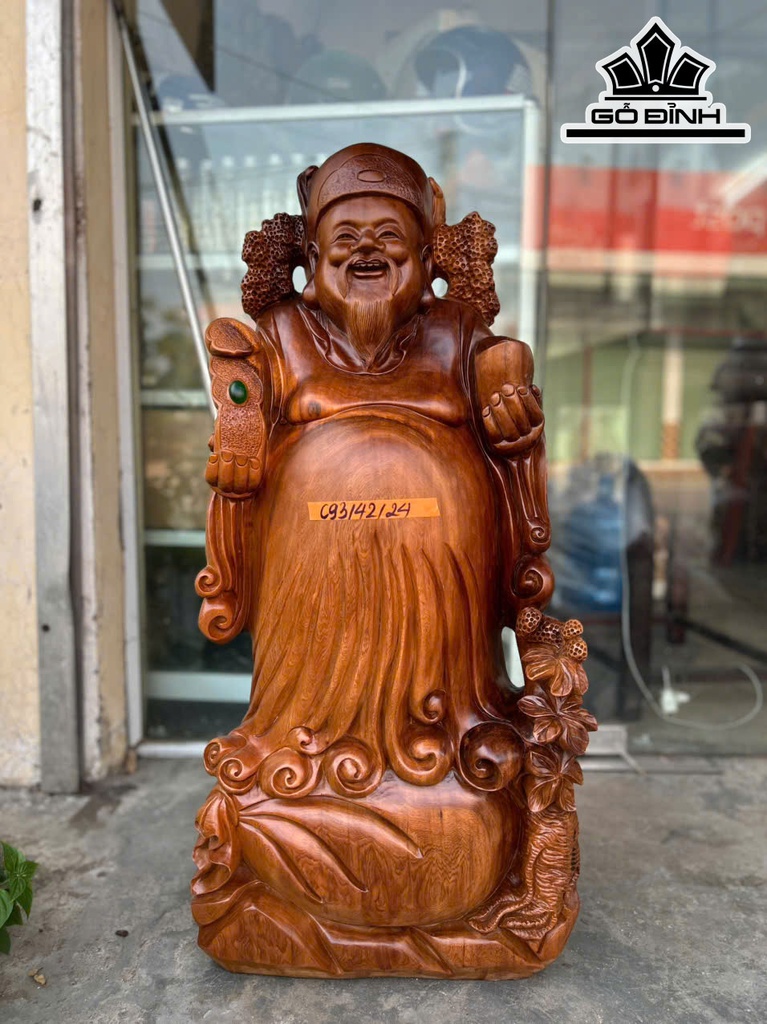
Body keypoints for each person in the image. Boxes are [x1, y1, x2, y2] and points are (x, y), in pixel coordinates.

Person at [191, 144, 591, 978]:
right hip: (317, 621)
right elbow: (239, 440)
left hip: (435, 637)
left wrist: (513, 432)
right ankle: (294, 805)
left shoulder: (459, 339)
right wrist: (239, 446)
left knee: (469, 819)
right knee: (281, 775)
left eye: (388, 235)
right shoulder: (280, 338)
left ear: (426, 257)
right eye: (345, 236)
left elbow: (511, 445)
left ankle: (430, 823)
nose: (365, 250)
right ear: (310, 256)